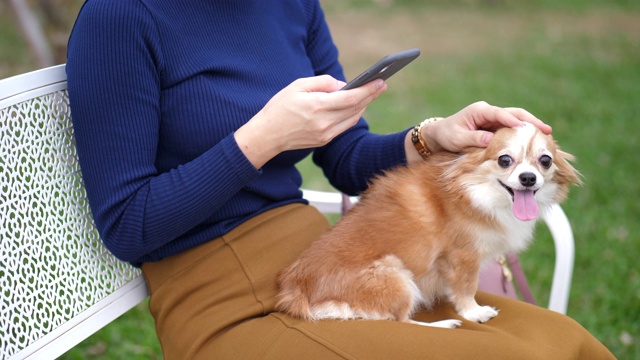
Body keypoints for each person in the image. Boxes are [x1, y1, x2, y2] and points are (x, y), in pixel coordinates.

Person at [66, 1, 613, 359]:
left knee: (563, 343)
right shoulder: (121, 17)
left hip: (333, 263)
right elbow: (128, 223)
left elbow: (345, 153)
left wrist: (431, 139)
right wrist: (264, 138)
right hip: (223, 298)